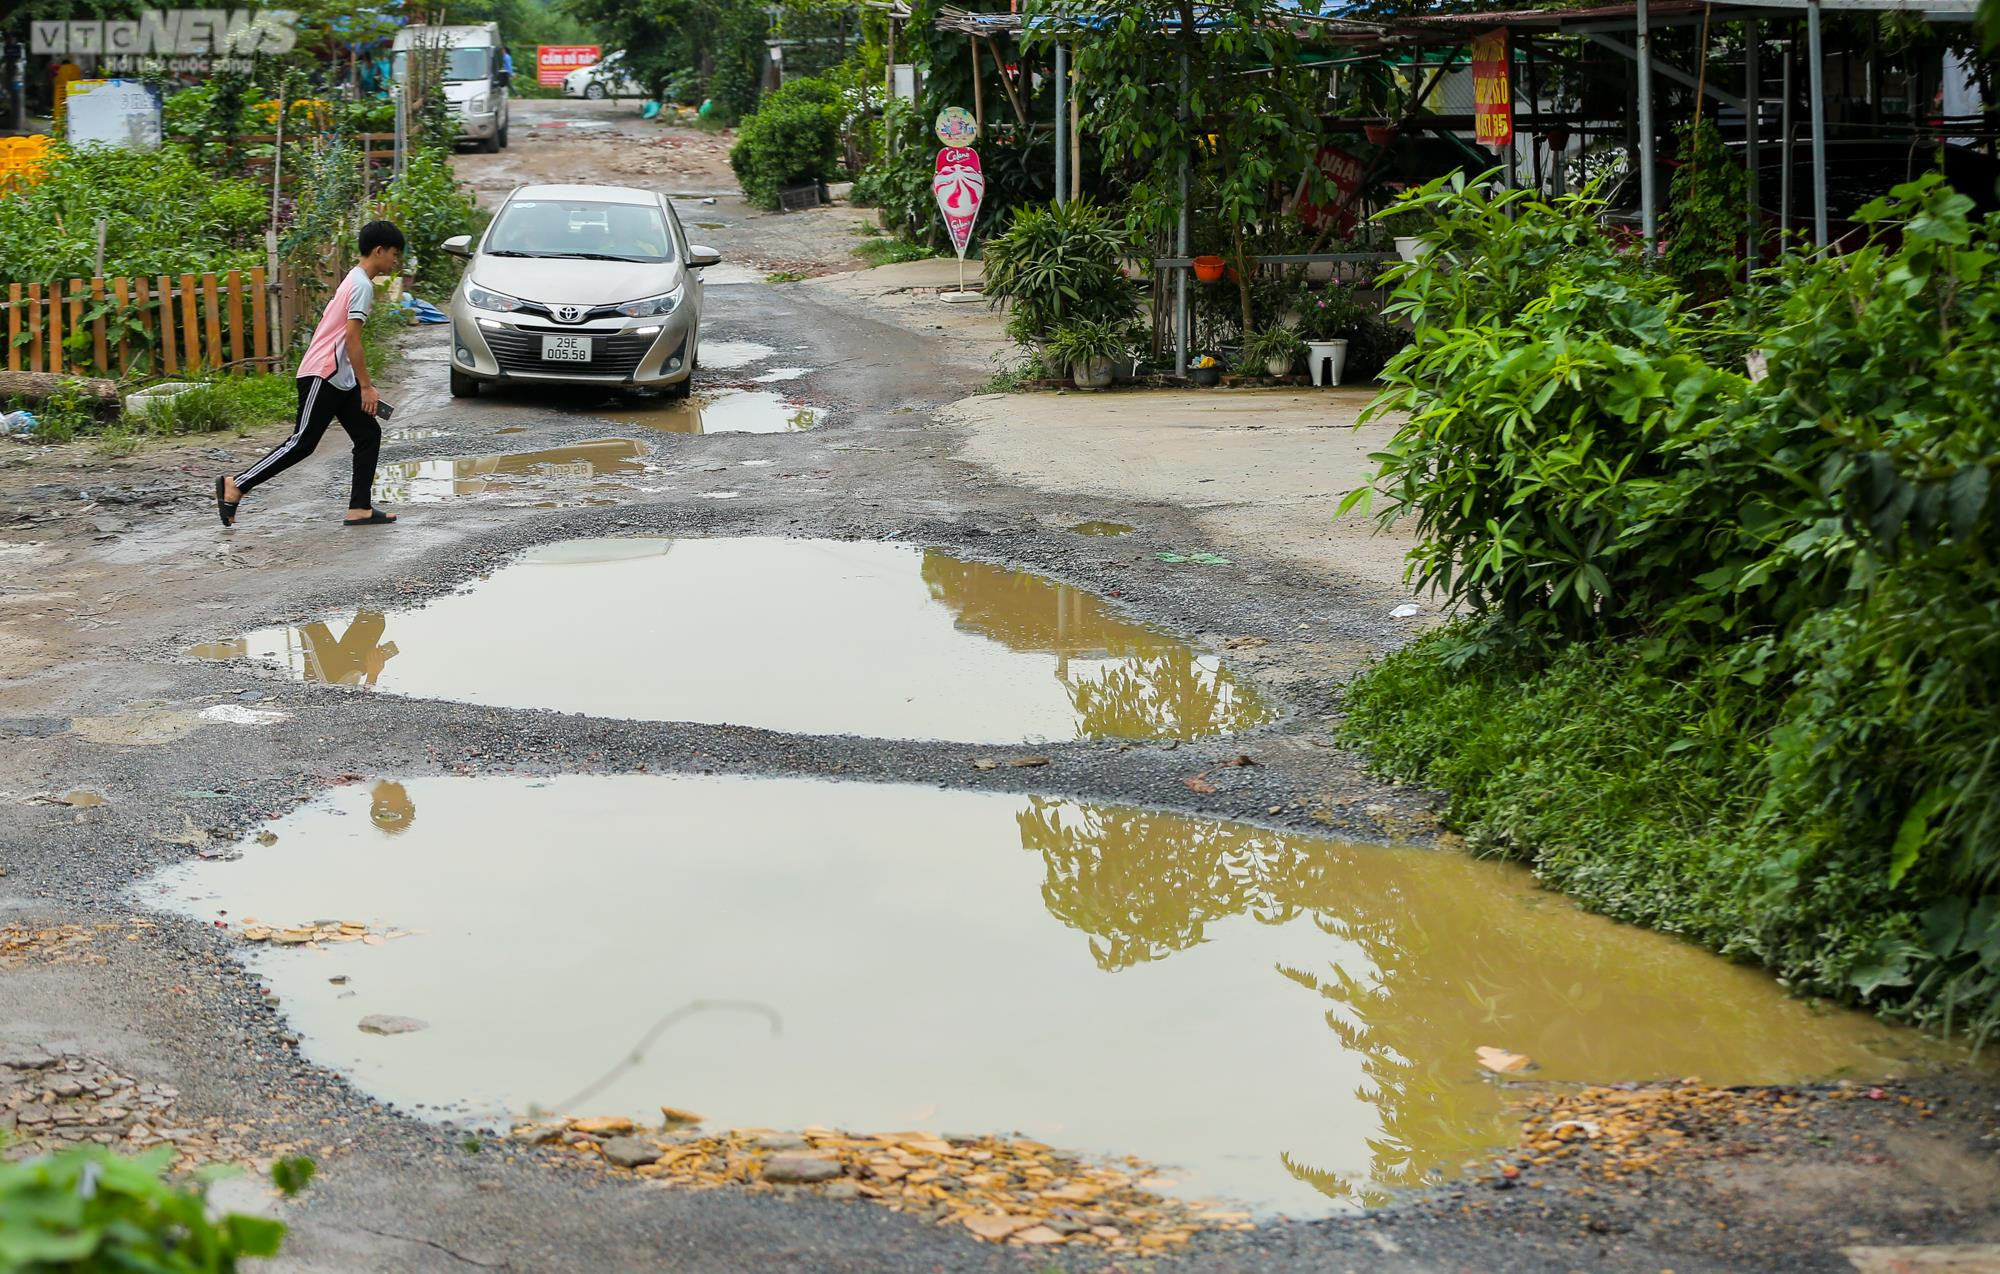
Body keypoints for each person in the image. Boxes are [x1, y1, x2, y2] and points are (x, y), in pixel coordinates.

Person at [216, 221, 404, 528]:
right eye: (394, 254)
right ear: (378, 250)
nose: (395, 261)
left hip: (338, 377)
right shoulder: (361, 285)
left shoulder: (356, 279)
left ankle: (359, 508)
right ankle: (237, 484)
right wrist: (367, 386)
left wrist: (356, 383)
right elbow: (352, 339)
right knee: (302, 442)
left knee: (368, 434)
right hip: (323, 373)